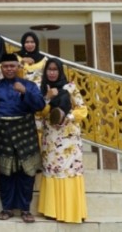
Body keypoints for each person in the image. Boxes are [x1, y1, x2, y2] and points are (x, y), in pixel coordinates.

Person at [0, 53, 45, 223]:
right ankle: (7, 208)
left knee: (26, 172)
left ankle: (25, 209)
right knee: (6, 172)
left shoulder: (29, 85)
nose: (9, 69)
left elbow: (40, 105)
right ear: (1, 68)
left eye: (12, 66)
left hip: (25, 132)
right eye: (6, 66)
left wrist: (24, 93)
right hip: (3, 133)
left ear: (18, 67)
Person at [37, 58, 88, 223]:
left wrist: (69, 117)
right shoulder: (43, 88)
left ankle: (71, 211)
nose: (52, 73)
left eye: (55, 69)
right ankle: (52, 210)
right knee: (53, 170)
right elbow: (39, 113)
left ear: (60, 71)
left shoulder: (70, 87)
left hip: (69, 138)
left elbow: (82, 109)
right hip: (51, 138)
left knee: (69, 171)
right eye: (49, 70)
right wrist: (47, 97)